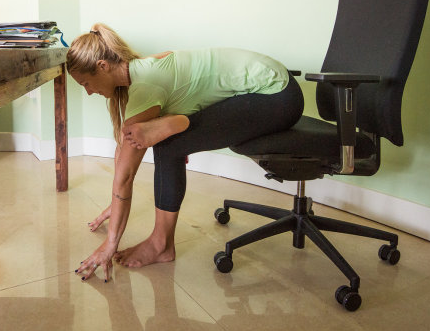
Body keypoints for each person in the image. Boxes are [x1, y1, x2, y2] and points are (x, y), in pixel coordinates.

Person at [69, 23, 304, 282]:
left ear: (103, 66)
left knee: (169, 144)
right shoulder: (143, 68)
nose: (88, 92)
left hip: (277, 96)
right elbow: (123, 152)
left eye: (86, 83)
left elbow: (125, 176)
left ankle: (161, 244)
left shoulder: (146, 88)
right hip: (270, 83)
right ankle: (179, 123)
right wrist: (116, 205)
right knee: (162, 136)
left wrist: (110, 244)